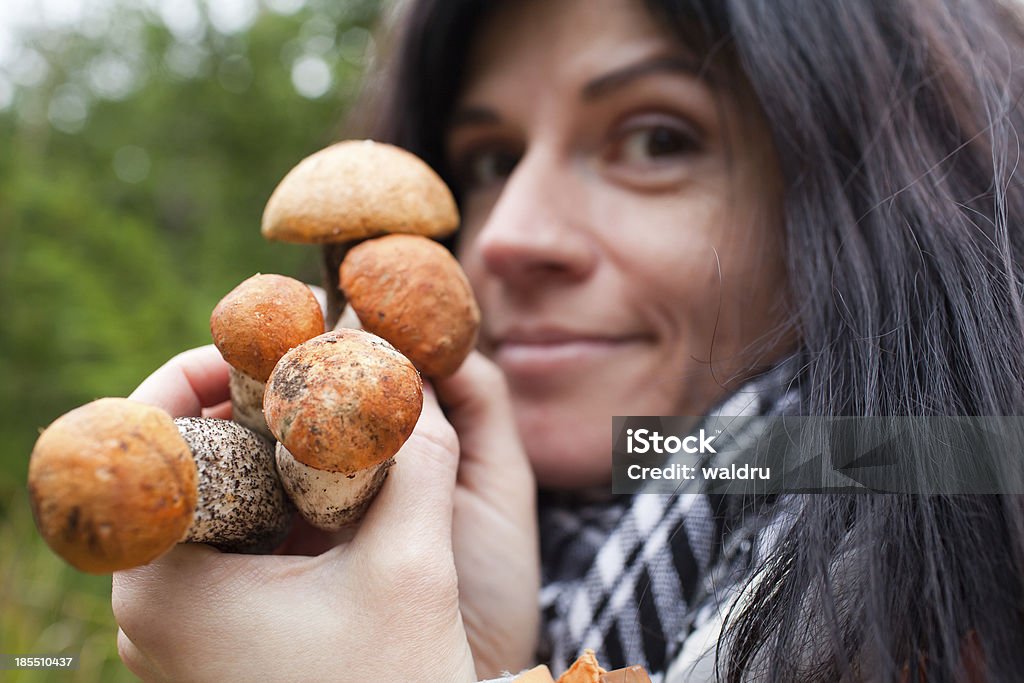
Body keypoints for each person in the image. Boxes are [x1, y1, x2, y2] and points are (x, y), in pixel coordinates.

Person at [112, 0, 1024, 680]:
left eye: (659, 139)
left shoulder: (958, 532)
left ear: (870, 195)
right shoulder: (604, 496)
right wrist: (475, 647)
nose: (505, 233)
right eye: (492, 161)